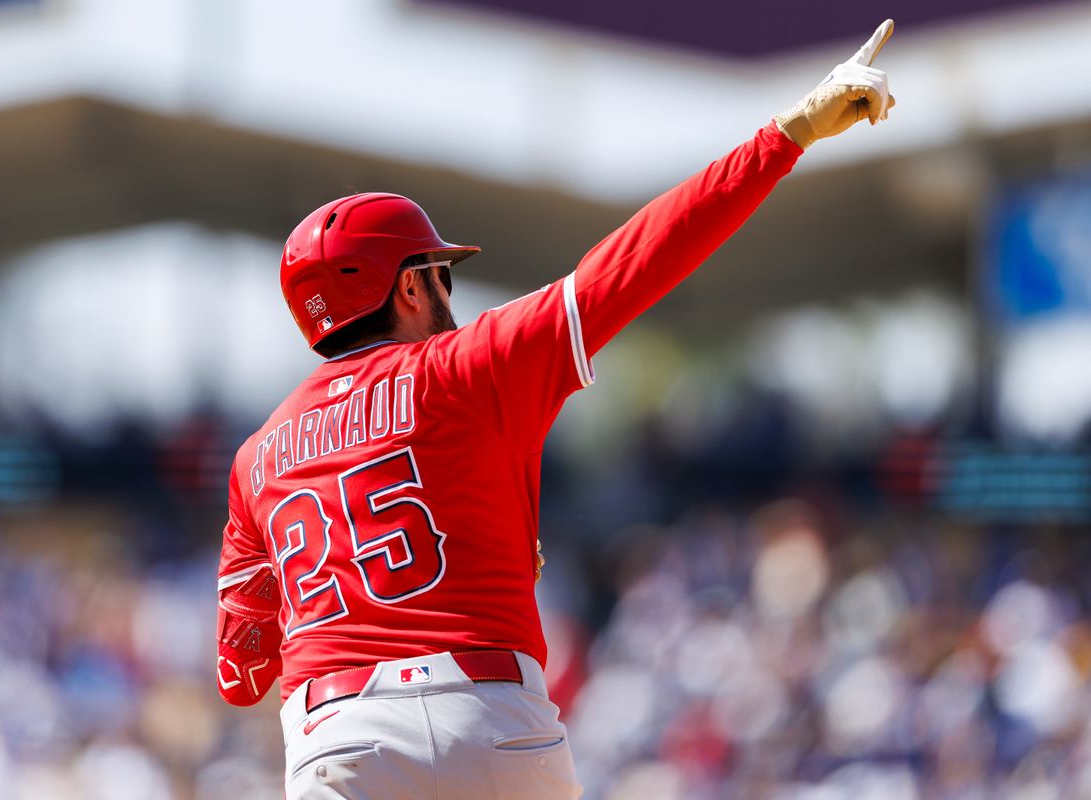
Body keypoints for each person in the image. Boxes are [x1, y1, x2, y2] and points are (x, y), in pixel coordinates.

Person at [215, 19, 896, 799]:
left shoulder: (255, 458)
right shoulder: (469, 366)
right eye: (436, 272)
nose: (447, 289)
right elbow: (640, 255)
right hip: (496, 720)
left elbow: (240, 673)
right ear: (406, 286)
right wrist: (790, 131)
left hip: (340, 742)